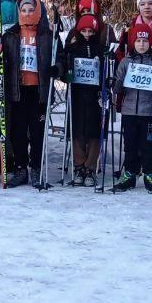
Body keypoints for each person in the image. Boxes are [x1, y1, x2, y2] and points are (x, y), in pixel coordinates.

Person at [0, 0, 53, 187]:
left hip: (39, 92)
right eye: (24, 10)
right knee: (18, 132)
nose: (28, 13)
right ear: (19, 12)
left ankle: (36, 167)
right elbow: (3, 59)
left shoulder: (47, 35)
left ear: (38, 11)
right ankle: (21, 168)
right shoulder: (11, 35)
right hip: (18, 90)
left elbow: (60, 57)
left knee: (37, 132)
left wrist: (59, 68)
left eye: (31, 10)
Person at [114, 23, 152, 193]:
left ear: (150, 42)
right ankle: (129, 175)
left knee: (148, 146)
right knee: (130, 145)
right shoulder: (126, 61)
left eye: (145, 41)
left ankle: (150, 176)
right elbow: (117, 86)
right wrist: (113, 83)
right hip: (129, 111)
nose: (142, 44)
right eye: (138, 40)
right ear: (133, 42)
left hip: (149, 112)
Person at [58, 12, 108, 187]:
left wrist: (106, 83)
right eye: (84, 31)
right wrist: (64, 75)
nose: (87, 34)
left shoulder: (100, 50)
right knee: (77, 130)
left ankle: (90, 167)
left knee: (94, 132)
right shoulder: (72, 49)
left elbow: (107, 70)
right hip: (77, 94)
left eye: (90, 31)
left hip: (95, 96)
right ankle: (79, 166)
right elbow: (63, 65)